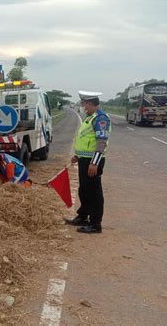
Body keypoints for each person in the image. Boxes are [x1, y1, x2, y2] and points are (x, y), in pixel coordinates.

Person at [64, 91, 111, 233]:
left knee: (94, 192)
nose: (84, 108)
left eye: (85, 105)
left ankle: (95, 224)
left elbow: (101, 142)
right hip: (84, 160)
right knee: (84, 190)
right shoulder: (90, 118)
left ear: (91, 103)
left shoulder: (101, 118)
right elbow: (86, 141)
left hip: (93, 161)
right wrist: (77, 156)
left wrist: (94, 163)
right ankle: (83, 216)